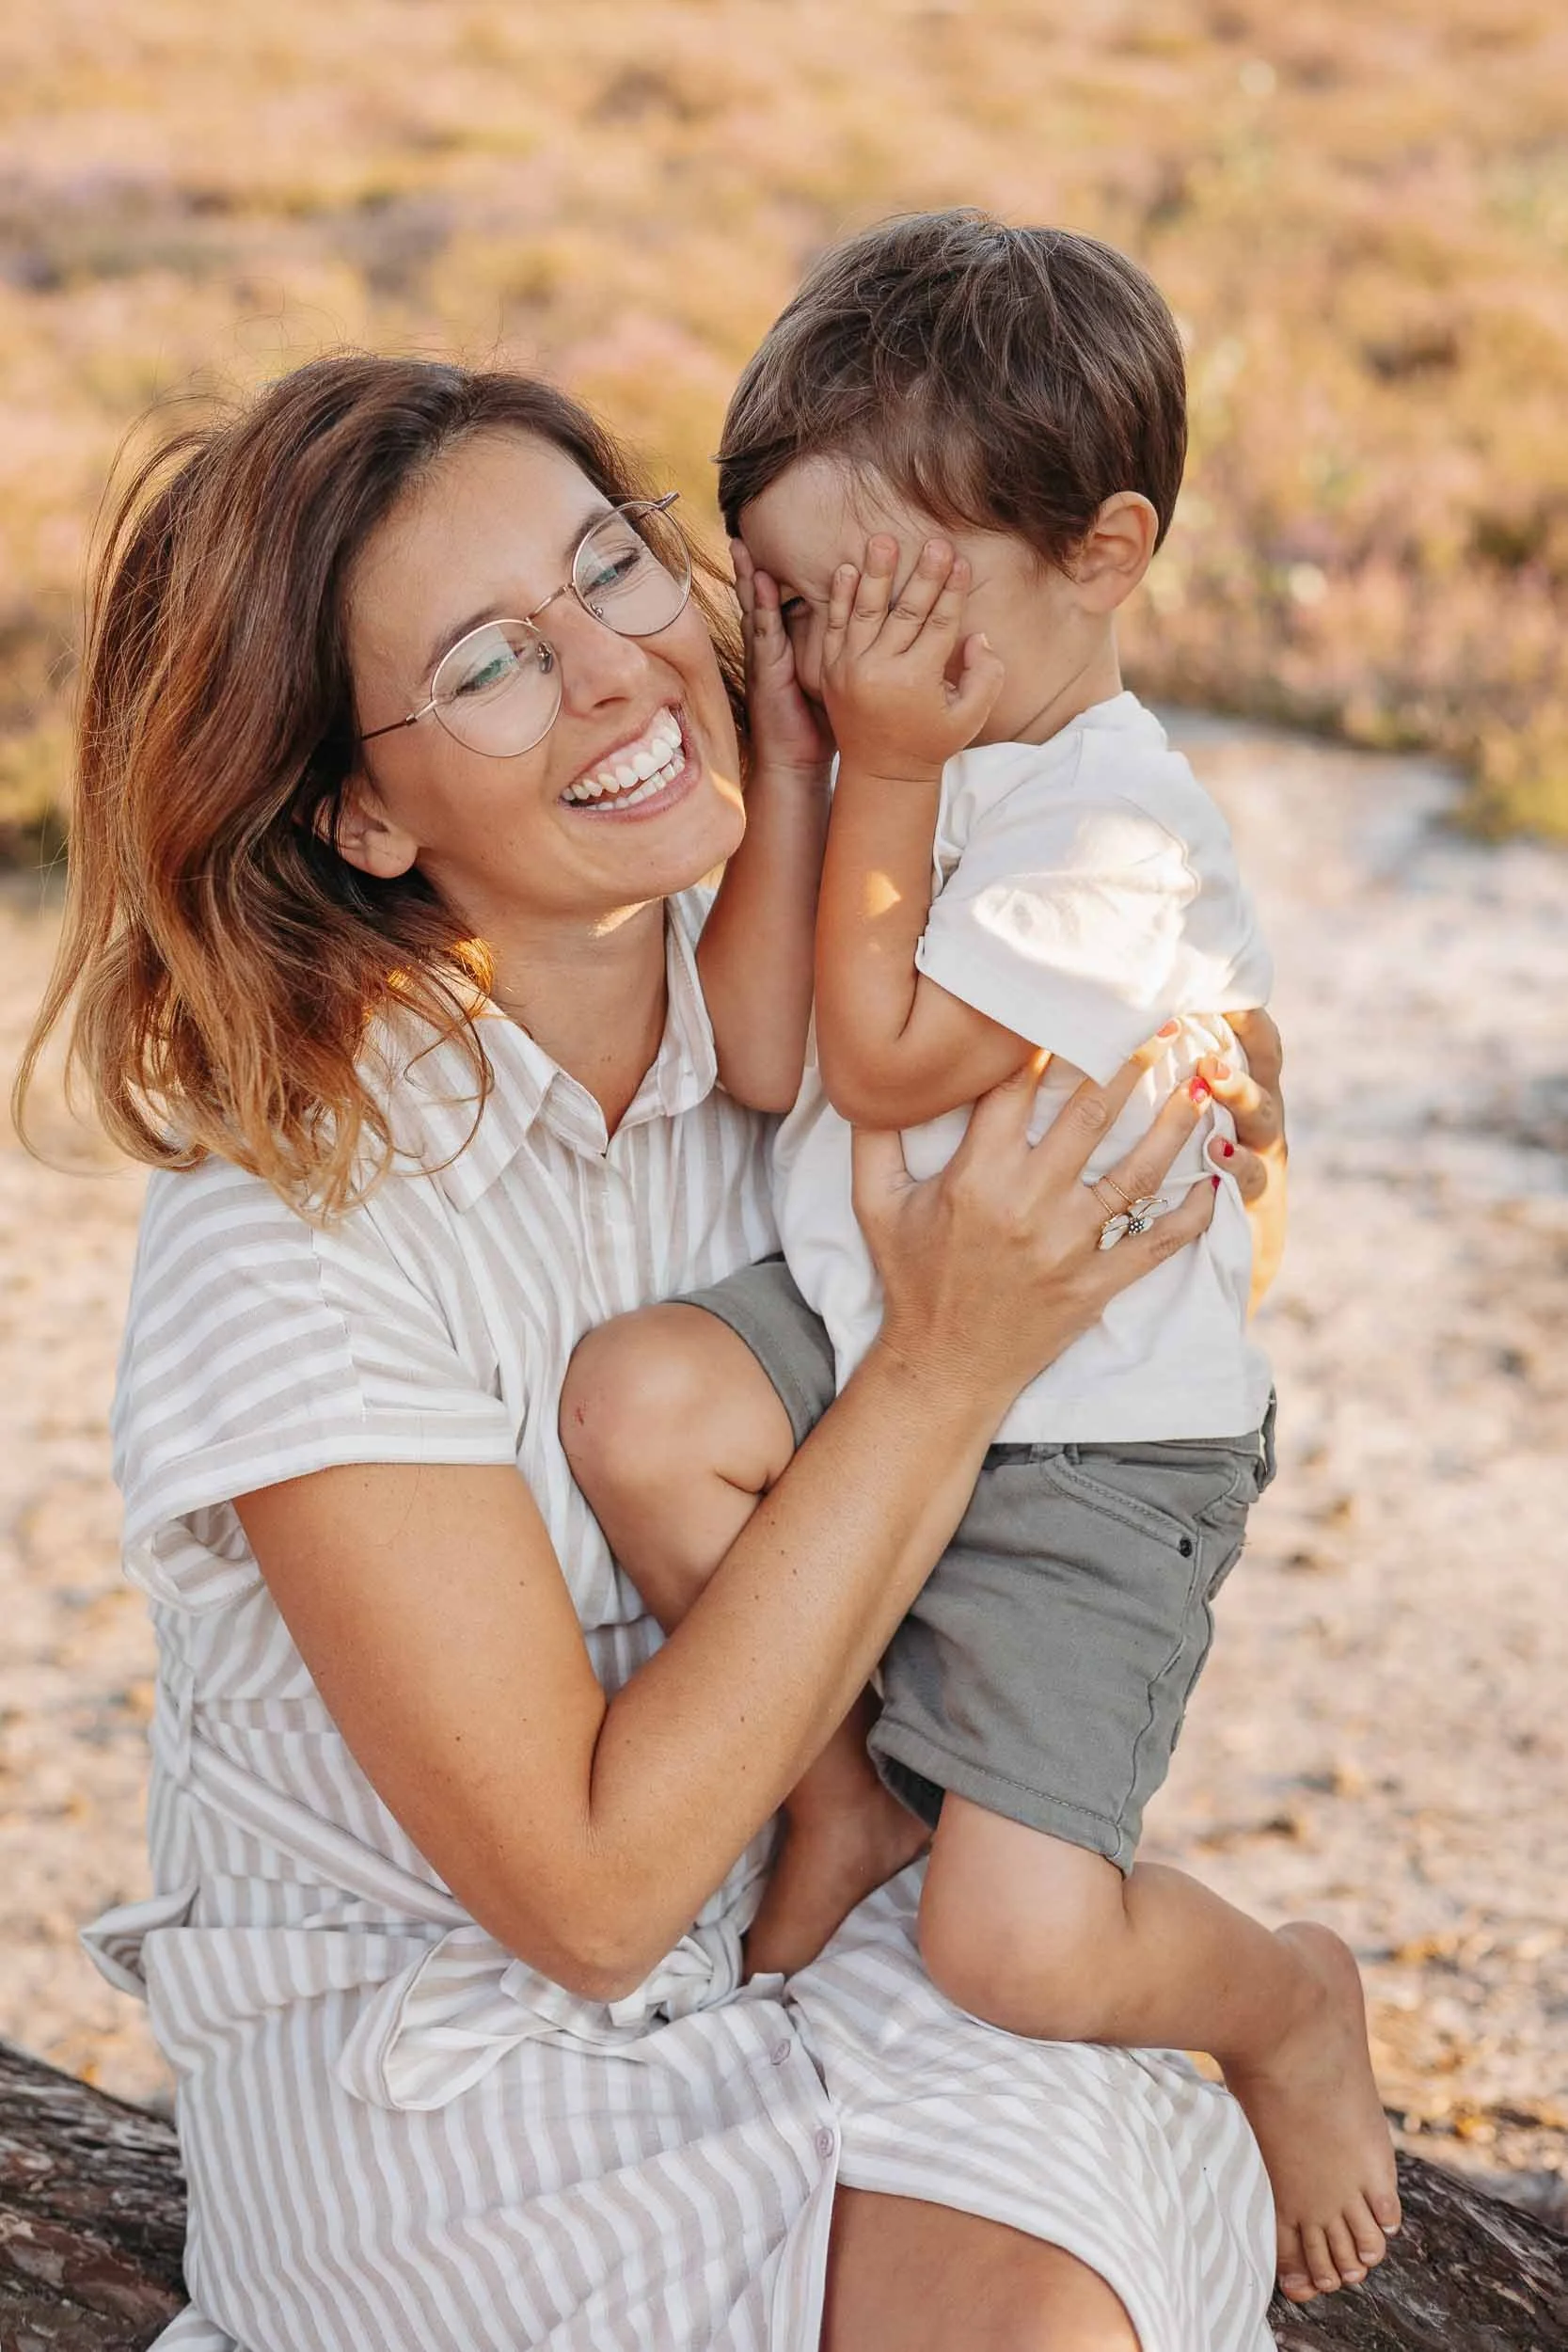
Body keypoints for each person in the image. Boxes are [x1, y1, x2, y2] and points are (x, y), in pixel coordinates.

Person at [17, 352, 1290, 2352]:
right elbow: (592, 1898)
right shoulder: (287, 1233)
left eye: (610, 566)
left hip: (842, 1964)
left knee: (1061, 2299)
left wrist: (1216, 1095)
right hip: (462, 2097)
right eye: (493, 664)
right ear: (357, 805)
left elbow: (1162, 1244)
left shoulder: (800, 1045)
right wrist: (935, 1372)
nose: (616, 669)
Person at [561, 214, 1399, 2311]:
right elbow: (763, 1046)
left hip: (1085, 1451)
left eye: (896, 607)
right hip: (875, 1342)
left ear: (1102, 553)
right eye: (805, 611)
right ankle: (835, 1792)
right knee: (638, 1405)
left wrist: (894, 771)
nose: (844, 663)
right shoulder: (866, 755)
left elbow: (883, 1043)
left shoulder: (1116, 827)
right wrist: (799, 754)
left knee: (1011, 1944)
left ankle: (1282, 2000)